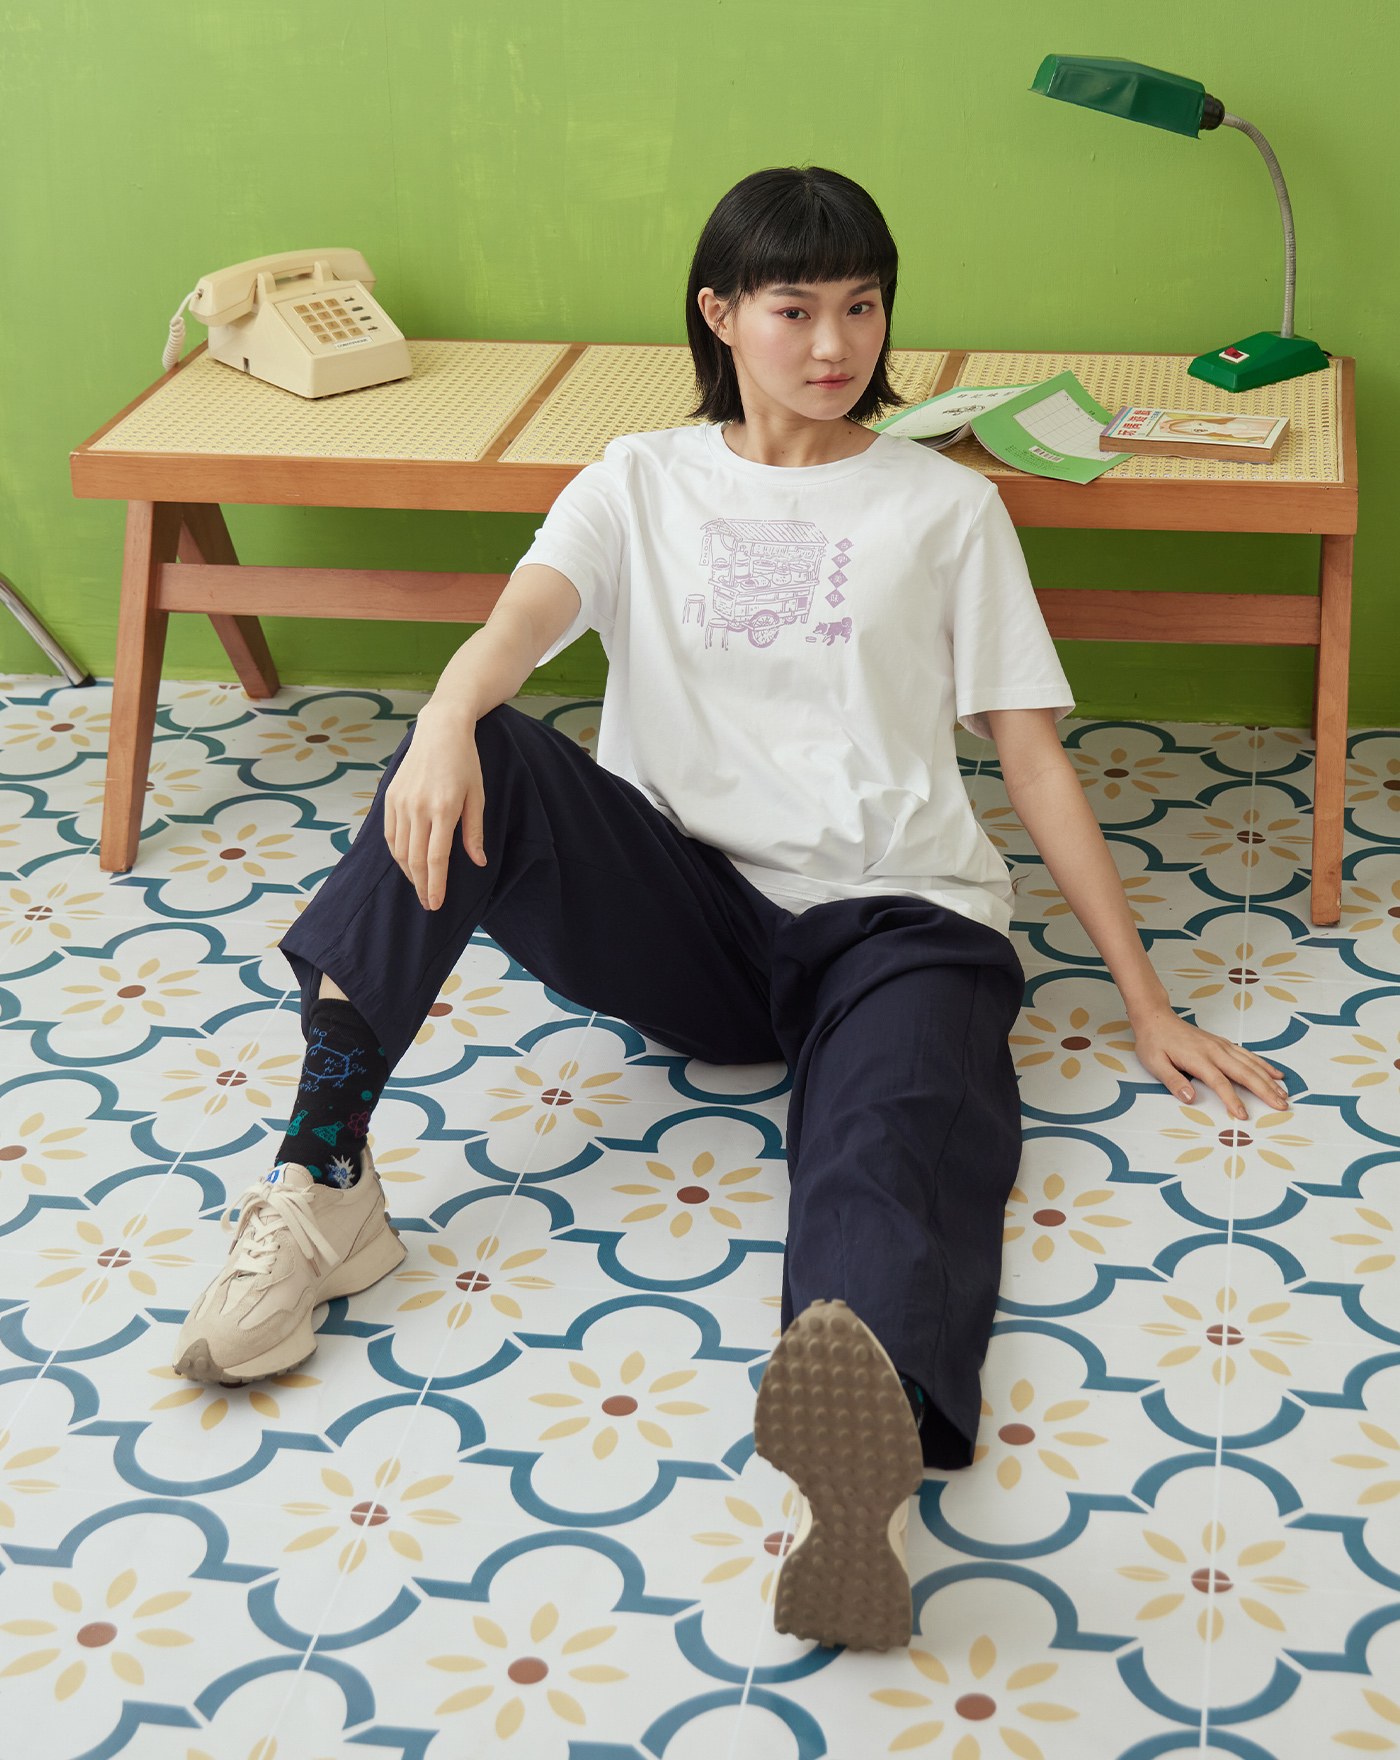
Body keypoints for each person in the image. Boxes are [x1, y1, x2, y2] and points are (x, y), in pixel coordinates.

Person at [173, 166, 1290, 1652]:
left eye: (862, 307)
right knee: (480, 747)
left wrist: (1146, 1001)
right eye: (795, 309)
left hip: (898, 924)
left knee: (885, 1150)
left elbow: (1029, 755)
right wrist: (442, 718)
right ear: (720, 314)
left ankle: (859, 1482)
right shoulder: (639, 479)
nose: (835, 344)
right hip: (692, 912)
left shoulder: (947, 508)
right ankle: (325, 1181)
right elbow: (521, 620)